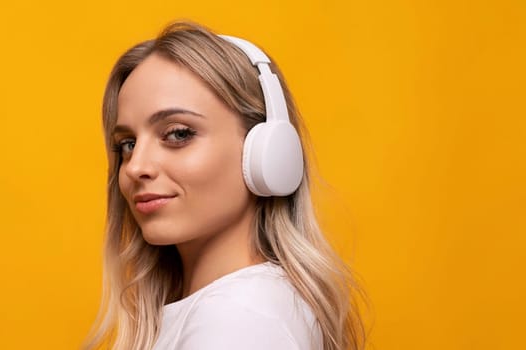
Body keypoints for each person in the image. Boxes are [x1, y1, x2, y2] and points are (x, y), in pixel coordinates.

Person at [82, 20, 367, 350]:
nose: (136, 167)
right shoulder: (236, 308)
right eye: (127, 144)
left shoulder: (241, 317)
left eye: (178, 134)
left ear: (264, 153)